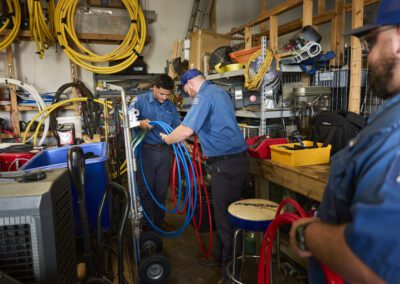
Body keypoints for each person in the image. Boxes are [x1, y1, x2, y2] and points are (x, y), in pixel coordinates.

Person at [289, 0, 400, 283]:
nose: (369, 55)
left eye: (373, 42)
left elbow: (374, 262)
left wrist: (306, 233)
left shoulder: (394, 131)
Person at [160, 69, 249, 284]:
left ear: (189, 84)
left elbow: (185, 131)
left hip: (226, 165)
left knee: (225, 219)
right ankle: (219, 258)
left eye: (186, 91)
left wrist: (167, 138)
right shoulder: (220, 92)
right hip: (236, 161)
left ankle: (231, 275)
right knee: (223, 214)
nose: (188, 96)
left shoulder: (203, 96)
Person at [129, 74, 180, 229]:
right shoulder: (140, 101)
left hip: (164, 152)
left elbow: (177, 128)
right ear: (154, 88)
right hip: (146, 152)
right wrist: (139, 122)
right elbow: (125, 120)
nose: (164, 97)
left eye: (168, 94)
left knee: (162, 190)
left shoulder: (170, 107)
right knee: (146, 189)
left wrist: (184, 144)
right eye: (161, 93)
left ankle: (158, 221)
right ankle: (147, 223)